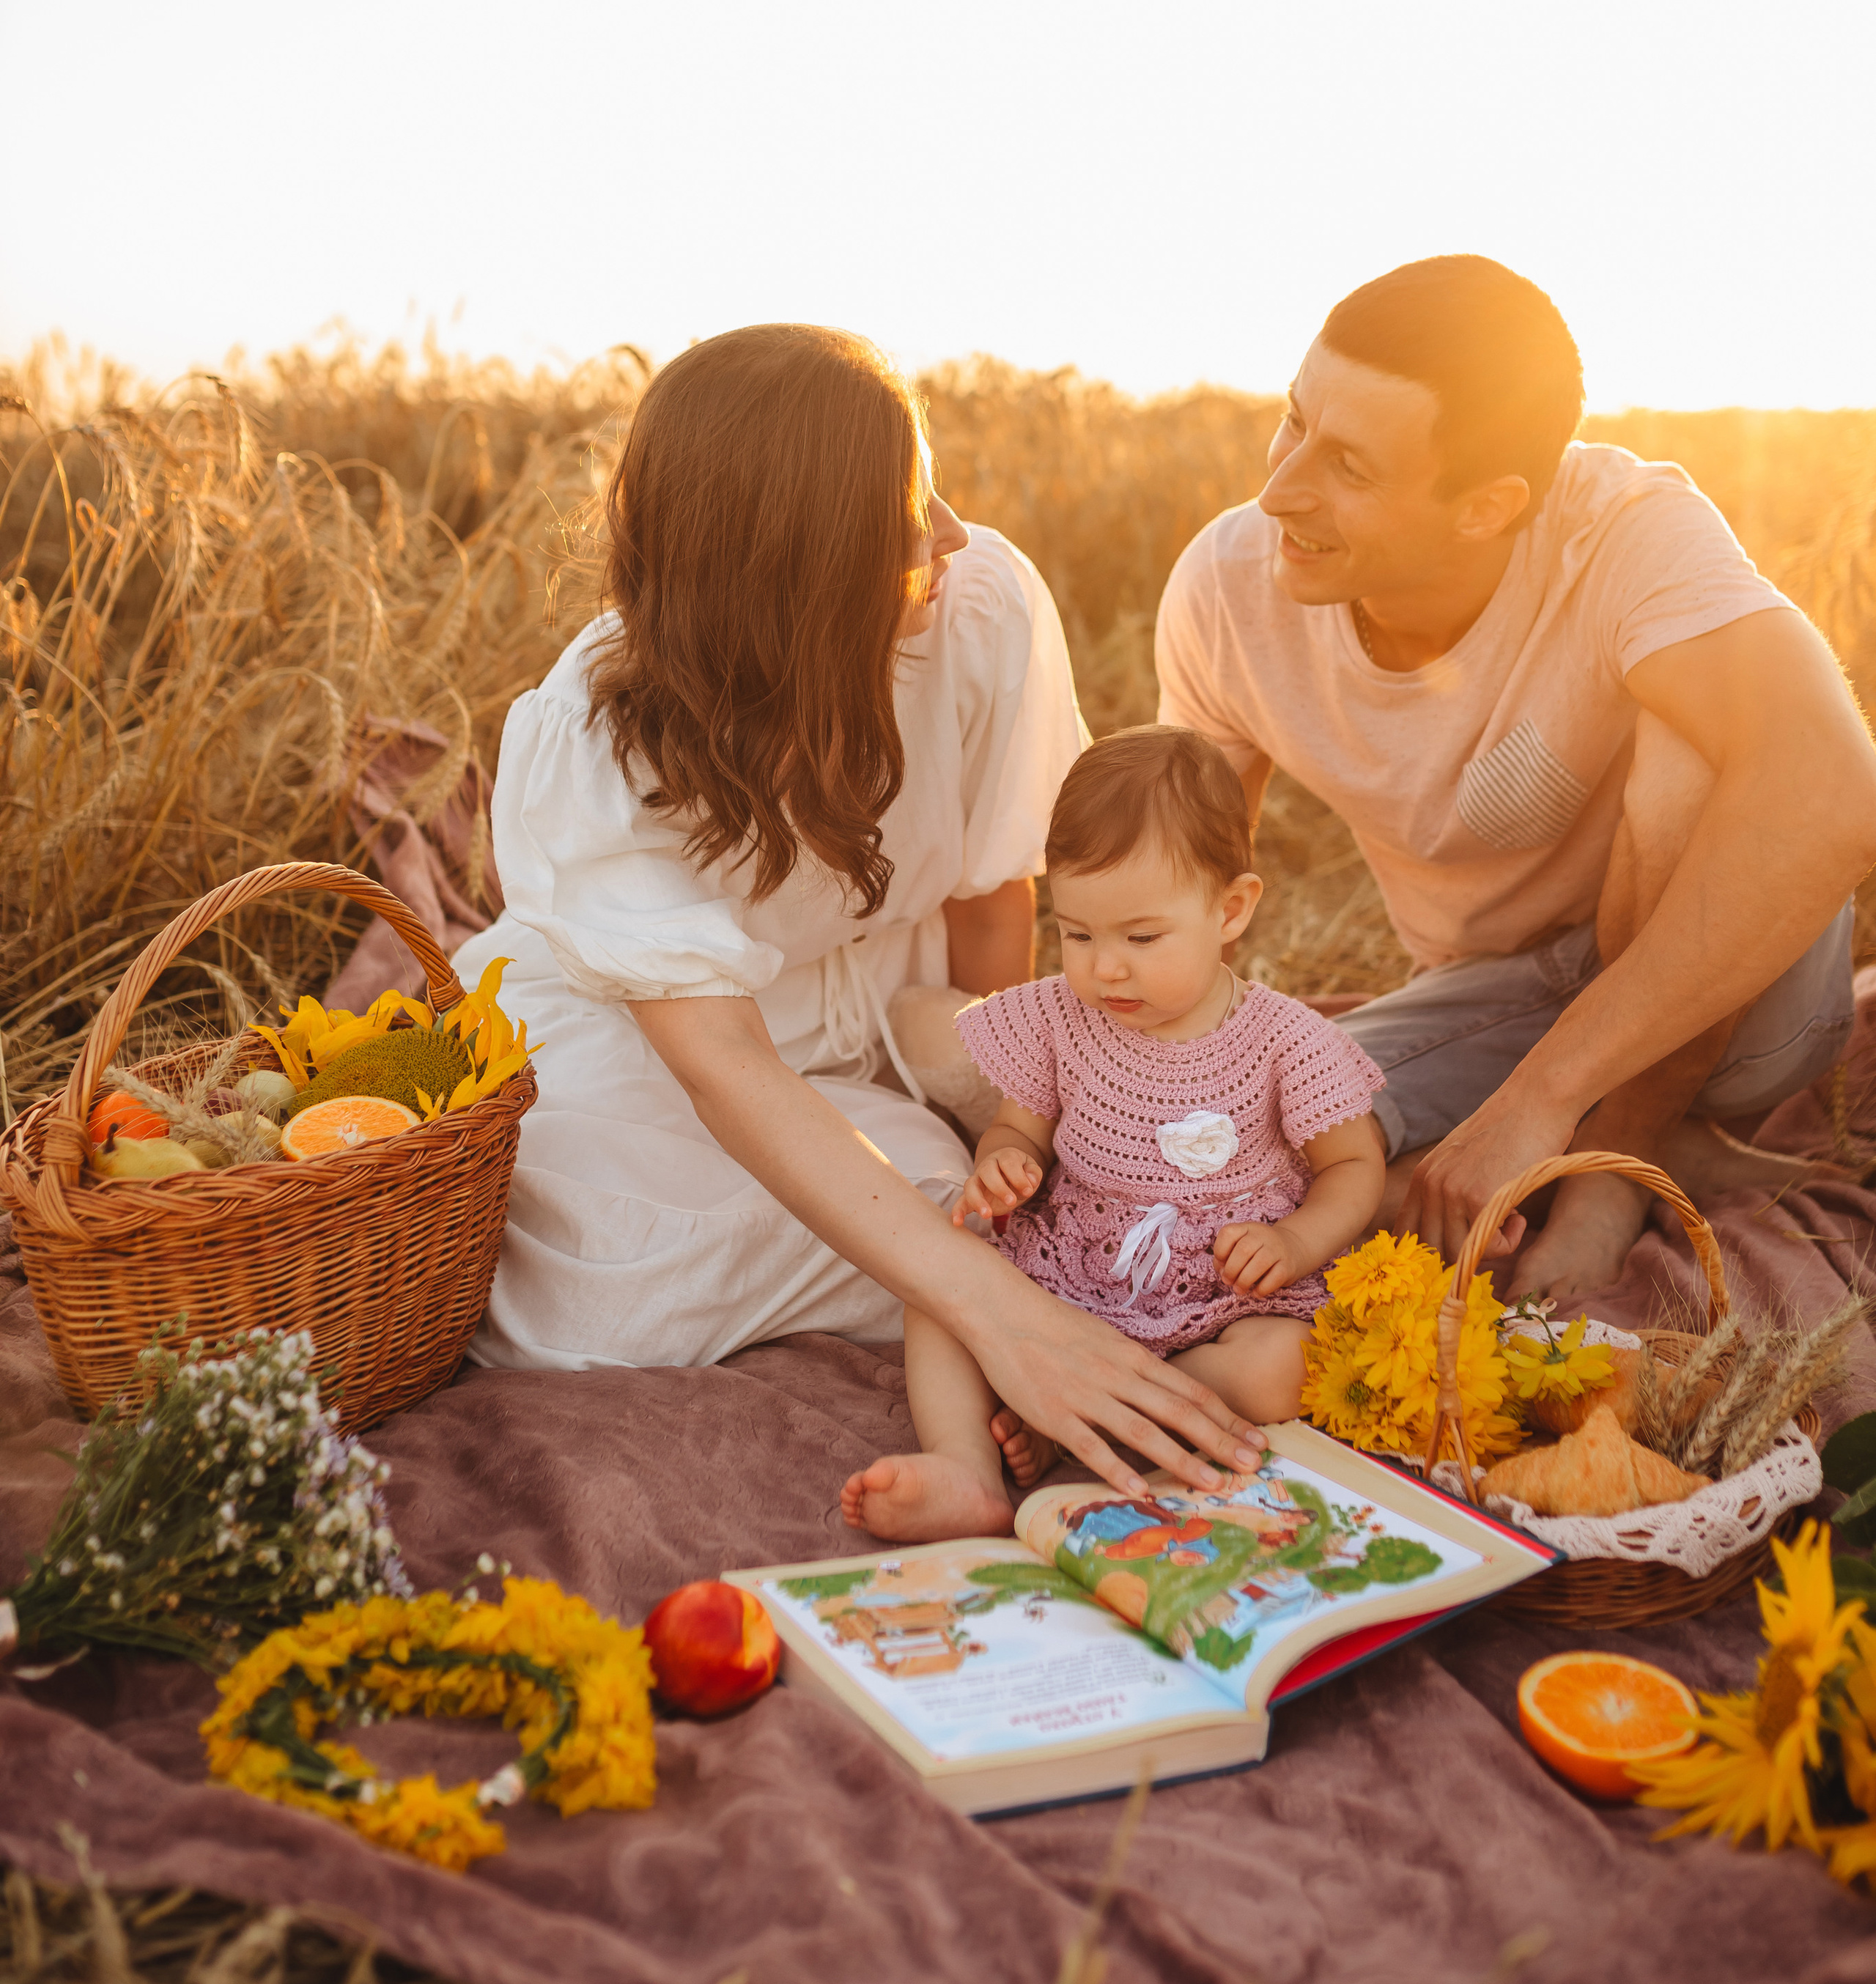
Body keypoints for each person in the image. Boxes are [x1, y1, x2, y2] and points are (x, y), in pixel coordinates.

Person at [464, 325, 1266, 1498]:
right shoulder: (596, 732)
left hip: (900, 1010)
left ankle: (941, 1239)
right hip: (657, 1045)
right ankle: (954, 1271)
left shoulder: (979, 606)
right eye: (905, 510)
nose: (947, 531)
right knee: (578, 1282)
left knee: (1003, 1189)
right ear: (799, 570)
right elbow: (725, 1068)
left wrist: (1014, 1120)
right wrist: (1005, 1313)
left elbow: (999, 887)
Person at [1155, 254, 1876, 1294]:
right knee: (1213, 1152)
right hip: (1493, 997)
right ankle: (1648, 1156)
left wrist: (1547, 1097)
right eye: (1293, 420)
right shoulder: (1228, 592)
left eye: (1348, 467)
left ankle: (1615, 1165)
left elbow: (1833, 790)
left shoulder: (1627, 532)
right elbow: (1180, 882)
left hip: (1736, 1007)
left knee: (1700, 738)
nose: (1279, 490)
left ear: (1488, 506)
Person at [841, 728, 1386, 1539]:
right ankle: (965, 1462)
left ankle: (1106, 1417)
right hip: (1073, 1274)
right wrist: (1003, 1168)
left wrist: (1297, 1243)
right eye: (1078, 934)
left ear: (1229, 910)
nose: (1105, 969)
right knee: (936, 1284)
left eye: (1140, 938)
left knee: (1283, 1369)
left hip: (1219, 1296)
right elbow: (1015, 1132)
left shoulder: (1285, 1041)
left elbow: (1354, 1165)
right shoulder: (1061, 1018)